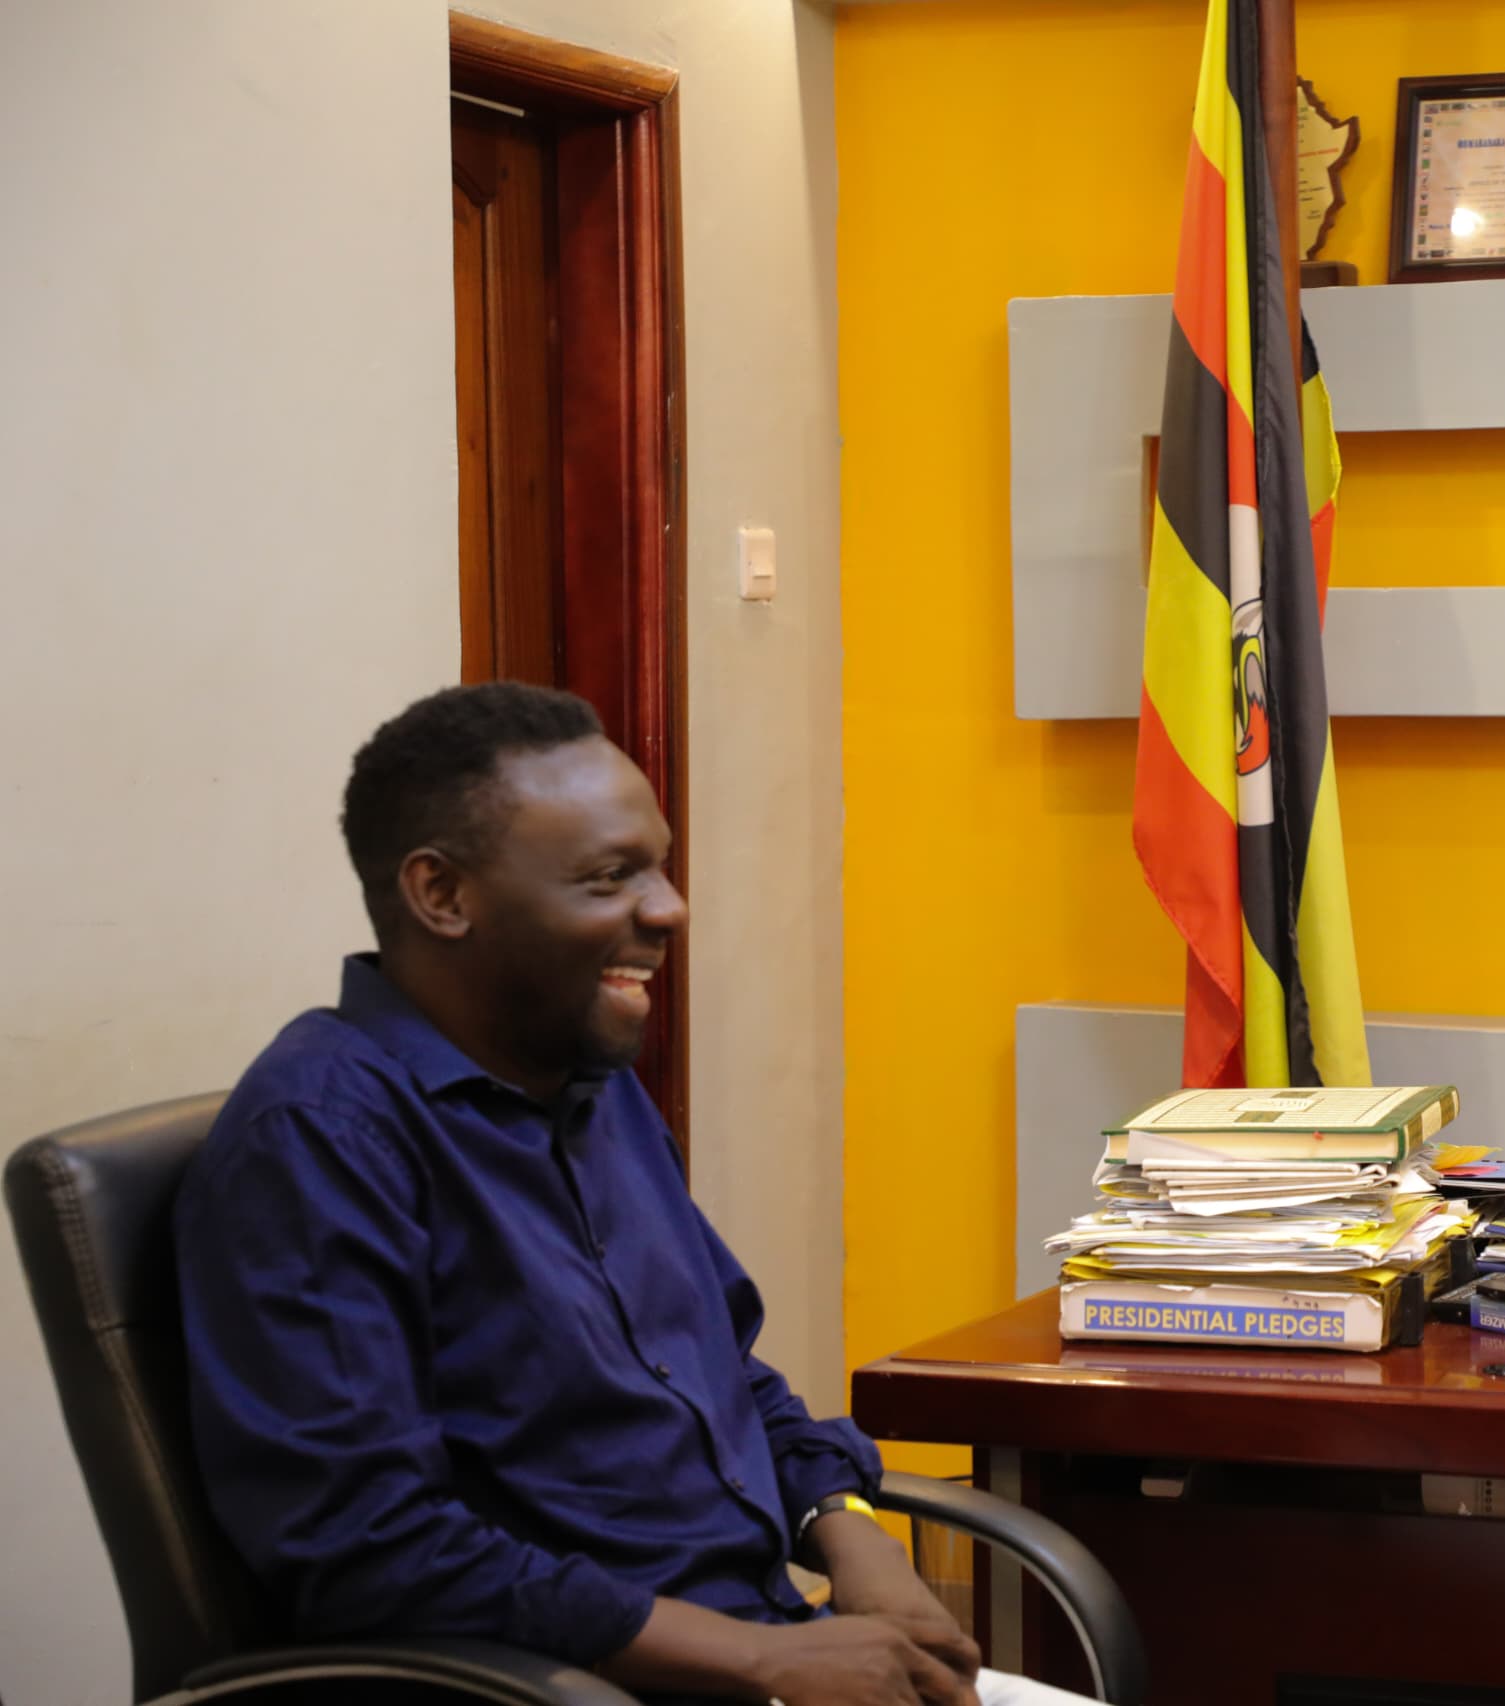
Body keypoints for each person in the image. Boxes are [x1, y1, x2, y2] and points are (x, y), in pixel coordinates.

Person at [174, 684, 1093, 1706]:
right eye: (611, 877)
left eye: (659, 864)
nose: (669, 907)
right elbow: (368, 1547)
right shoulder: (319, 1137)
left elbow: (722, 1374)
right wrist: (762, 1659)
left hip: (765, 1646)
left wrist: (848, 1528)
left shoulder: (587, 1083)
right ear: (442, 894)